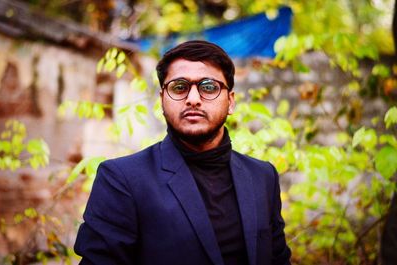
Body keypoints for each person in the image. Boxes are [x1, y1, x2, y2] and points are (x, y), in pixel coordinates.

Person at [74, 40, 291, 265]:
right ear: (162, 100)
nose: (193, 99)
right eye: (179, 87)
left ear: (231, 102)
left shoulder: (262, 176)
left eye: (208, 87)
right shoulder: (122, 179)